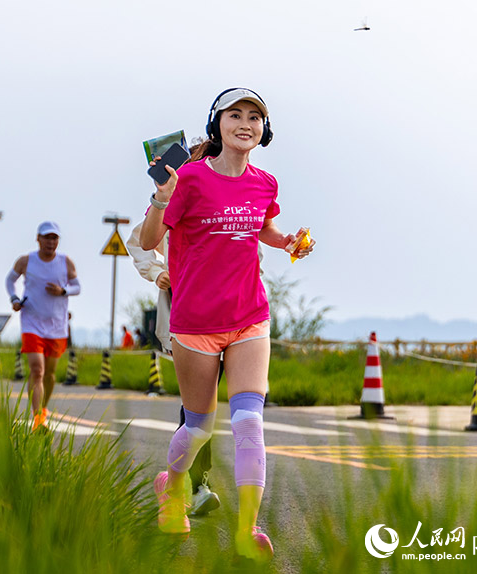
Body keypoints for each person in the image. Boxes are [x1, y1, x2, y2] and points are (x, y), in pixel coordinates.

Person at [139, 88, 314, 560]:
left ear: (264, 129)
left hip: (249, 316)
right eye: (235, 115)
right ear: (217, 124)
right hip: (195, 321)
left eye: (255, 117)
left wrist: (287, 241)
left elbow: (264, 227)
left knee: (249, 422)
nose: (245, 124)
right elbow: (150, 239)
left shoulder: (265, 183)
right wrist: (161, 198)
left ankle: (247, 529)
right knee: (198, 427)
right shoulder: (189, 178)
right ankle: (172, 487)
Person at [127, 219, 222, 517]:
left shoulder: (228, 202)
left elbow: (250, 250)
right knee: (198, 405)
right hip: (185, 316)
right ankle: (194, 486)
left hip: (230, 314)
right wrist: (157, 272)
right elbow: (138, 241)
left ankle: (180, 483)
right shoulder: (172, 206)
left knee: (213, 405)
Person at [6, 221, 80, 432]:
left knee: (49, 373)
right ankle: (38, 419)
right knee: (37, 370)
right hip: (32, 322)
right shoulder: (26, 261)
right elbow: (9, 281)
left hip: (57, 325)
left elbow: (77, 287)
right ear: (38, 239)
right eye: (47, 237)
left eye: (54, 238)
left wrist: (63, 291)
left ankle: (43, 409)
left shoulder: (65, 262)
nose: (51, 242)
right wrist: (14, 299)